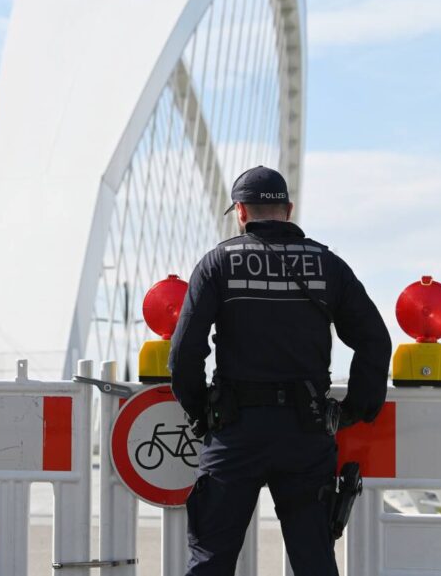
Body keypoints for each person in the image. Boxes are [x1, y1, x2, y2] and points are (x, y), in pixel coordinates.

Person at [169, 165, 392, 576]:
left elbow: (184, 355)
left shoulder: (218, 263)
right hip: (306, 433)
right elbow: (375, 340)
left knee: (211, 560)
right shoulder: (328, 265)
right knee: (314, 561)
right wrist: (352, 411)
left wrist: (204, 413)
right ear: (288, 210)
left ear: (240, 212)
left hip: (235, 432)